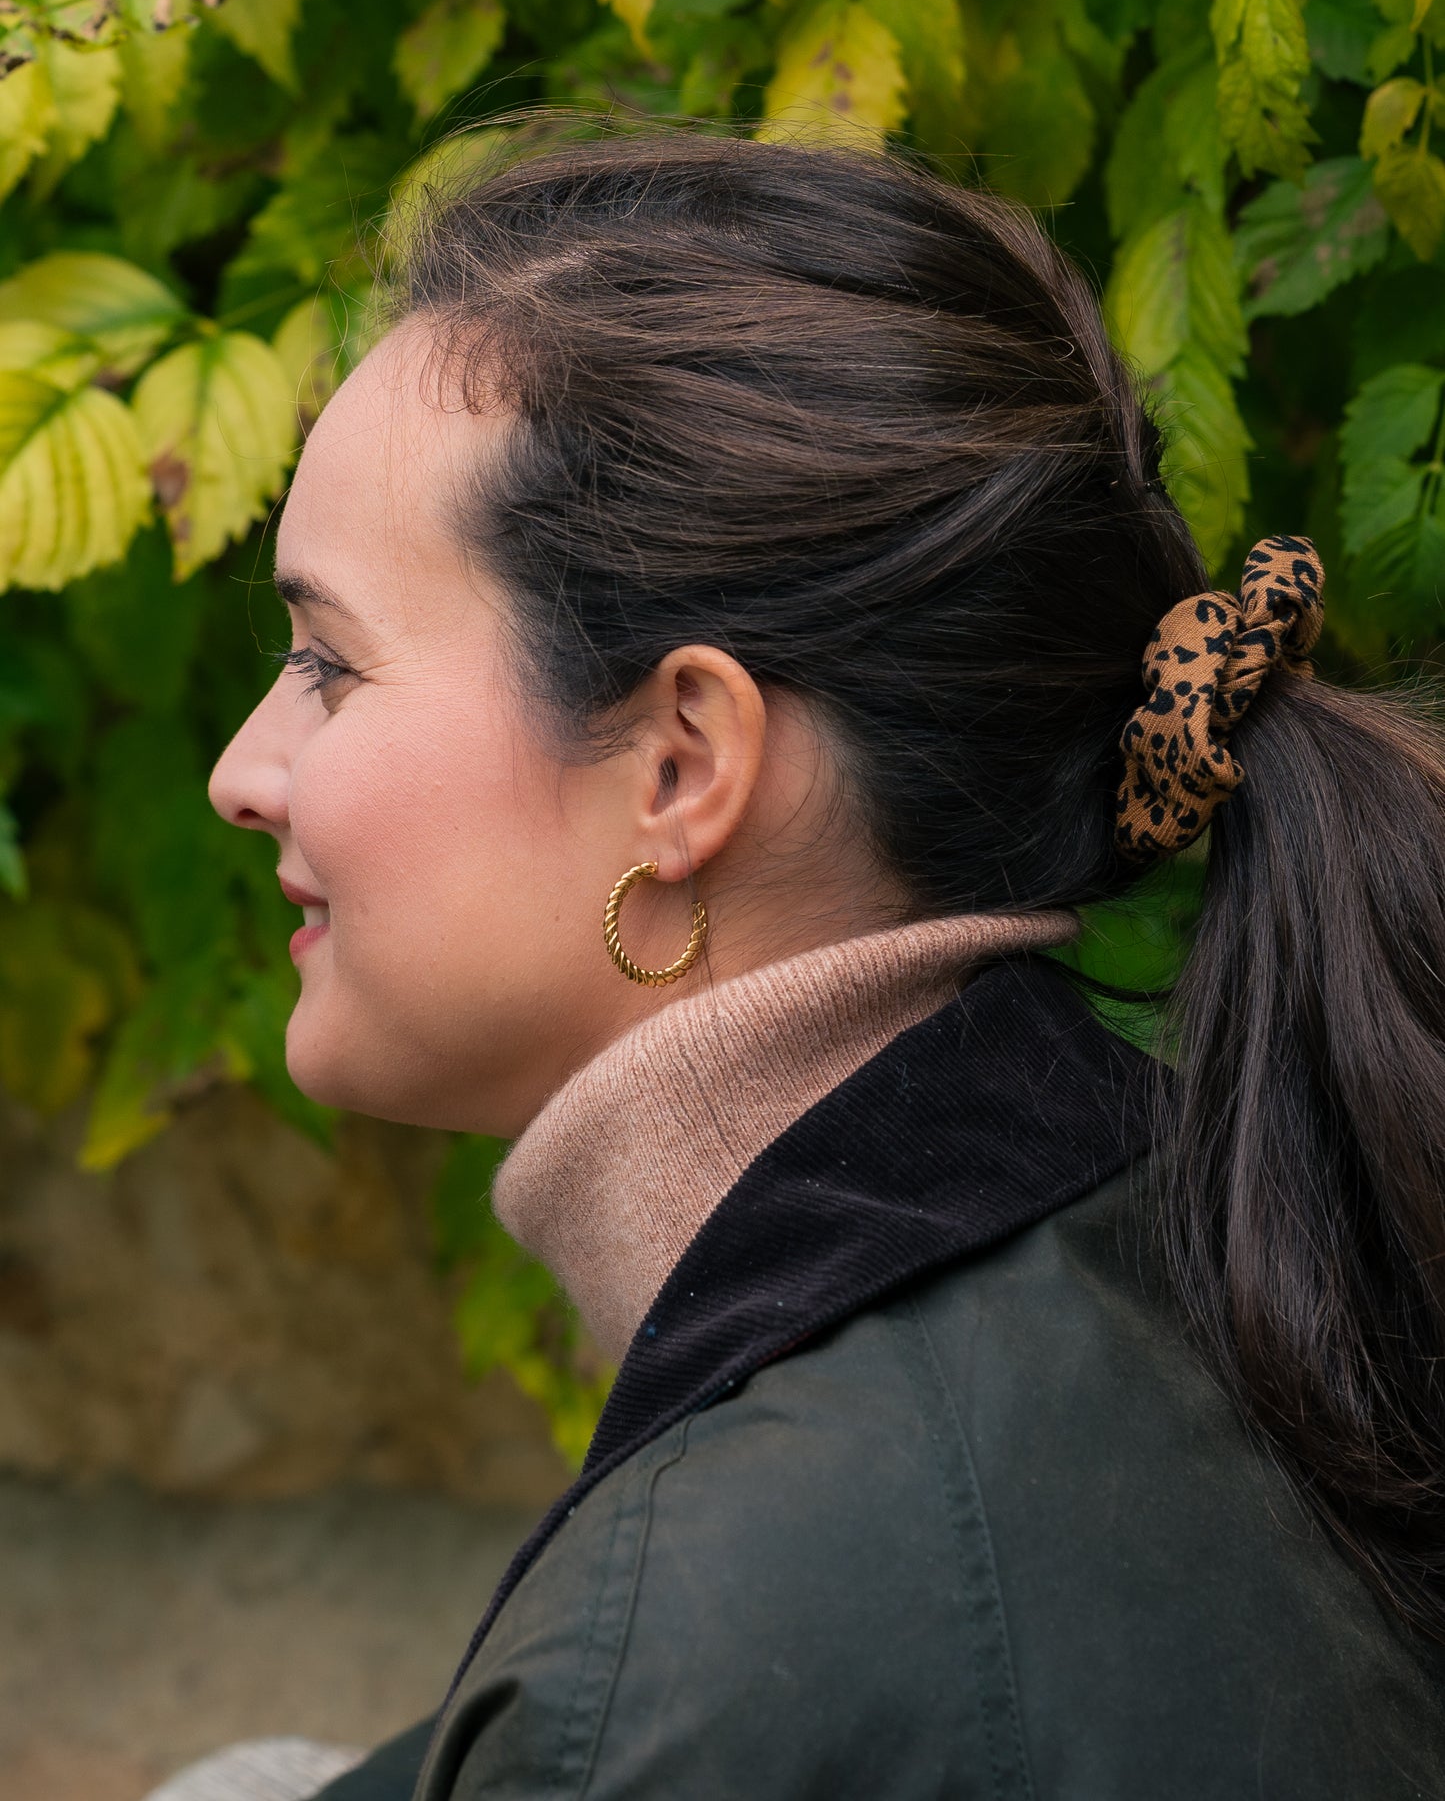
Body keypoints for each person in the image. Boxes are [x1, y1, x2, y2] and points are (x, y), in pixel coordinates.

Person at [205, 136, 1445, 1800]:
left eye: (325, 662)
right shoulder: (1202, 1234)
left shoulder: (686, 1684)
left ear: (680, 767)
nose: (242, 767)